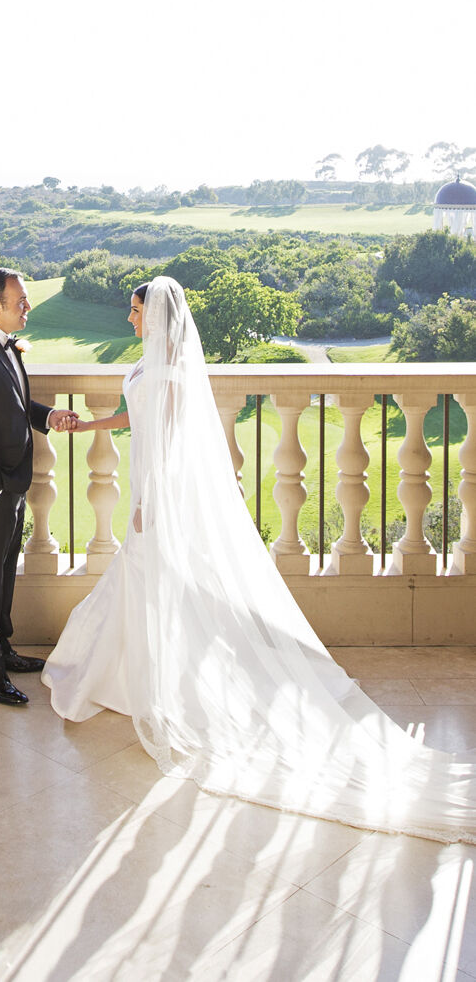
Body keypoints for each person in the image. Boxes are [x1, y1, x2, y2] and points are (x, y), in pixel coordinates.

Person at [42, 275, 476, 844]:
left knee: (154, 583)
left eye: (135, 310)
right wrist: (91, 425)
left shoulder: (172, 373)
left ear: (158, 317)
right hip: (144, 493)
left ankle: (153, 685)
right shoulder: (151, 364)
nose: (129, 318)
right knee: (144, 584)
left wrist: (148, 502)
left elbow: (170, 441)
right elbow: (133, 418)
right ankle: (130, 681)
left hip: (158, 496)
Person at [0, 267, 77, 706]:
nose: (28, 306)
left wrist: (47, 417)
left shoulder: (3, 346)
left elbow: (16, 403)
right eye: (21, 301)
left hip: (11, 483)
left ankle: (3, 650)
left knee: (4, 570)